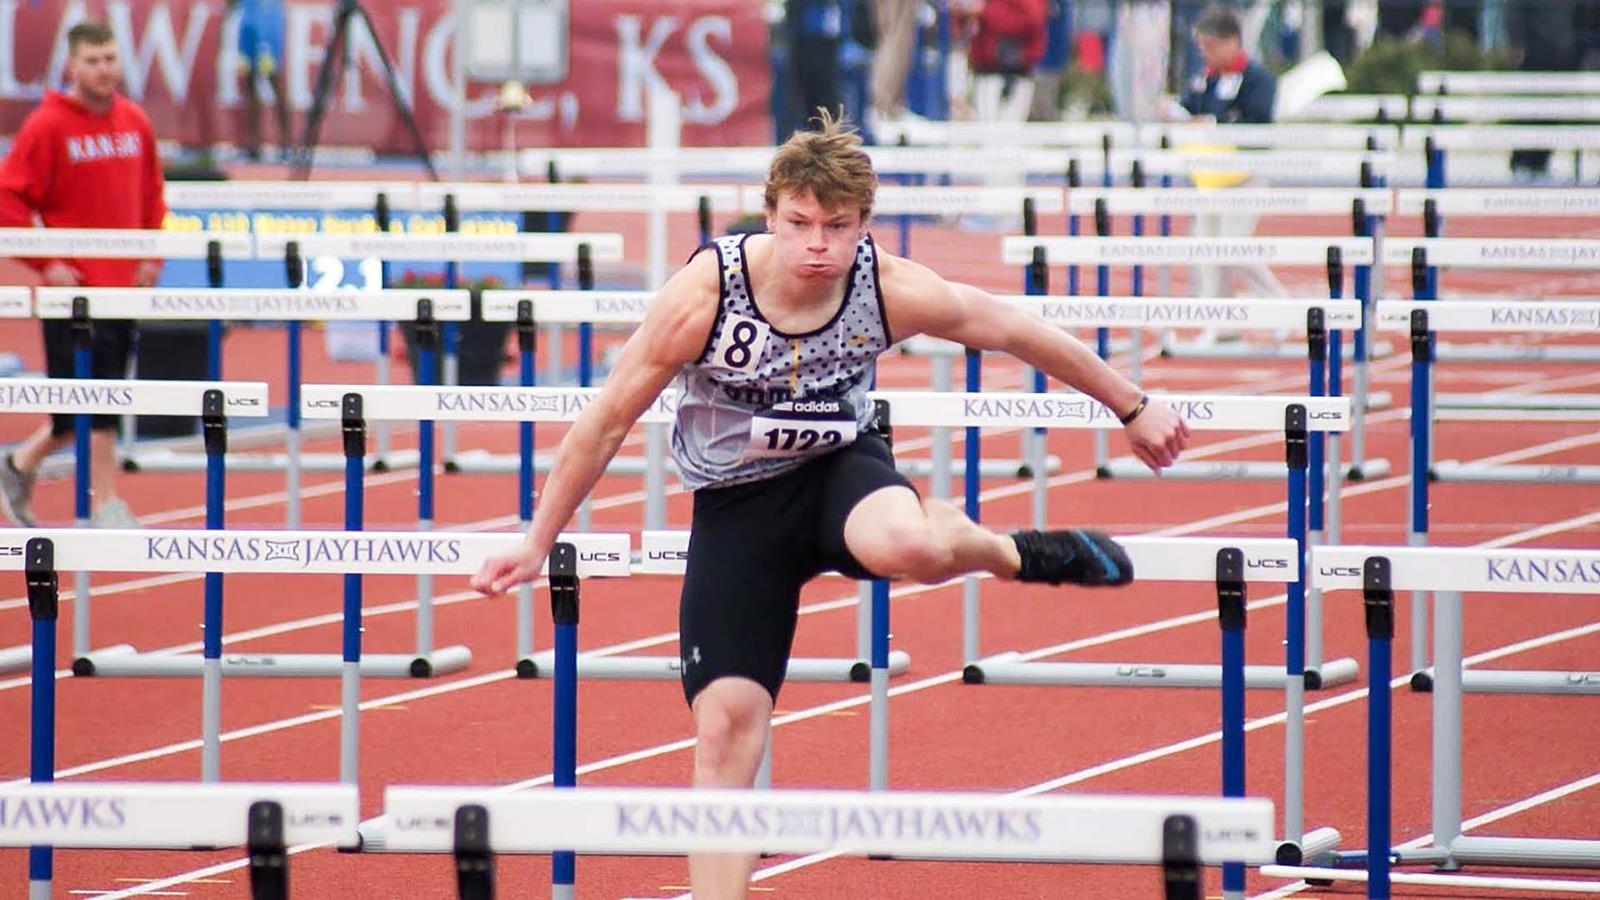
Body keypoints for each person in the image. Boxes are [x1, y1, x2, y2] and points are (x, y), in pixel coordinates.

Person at [471, 110, 1191, 898]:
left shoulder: (885, 288)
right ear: (771, 213)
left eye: (838, 226)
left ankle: (999, 550)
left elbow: (1013, 328)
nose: (818, 243)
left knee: (911, 550)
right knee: (724, 726)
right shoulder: (706, 295)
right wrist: (537, 540)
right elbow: (606, 419)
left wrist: (1131, 405)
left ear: (865, 226)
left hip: (841, 470)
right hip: (737, 507)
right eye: (799, 223)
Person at [0, 20, 166, 528]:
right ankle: (107, 502)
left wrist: (149, 256)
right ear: (72, 65)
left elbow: (152, 197)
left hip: (123, 289)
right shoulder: (47, 126)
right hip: (73, 295)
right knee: (91, 400)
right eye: (93, 61)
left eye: (111, 58)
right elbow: (9, 197)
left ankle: (17, 464)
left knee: (90, 404)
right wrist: (46, 262)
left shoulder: (135, 122)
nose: (103, 69)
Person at [1173, 4, 1285, 321]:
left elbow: (1258, 120)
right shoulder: (1203, 78)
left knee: (1234, 247)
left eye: (1210, 46)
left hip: (1246, 173)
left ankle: (1281, 304)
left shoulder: (1257, 79)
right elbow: (1187, 108)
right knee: (1206, 250)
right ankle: (1218, 323)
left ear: (1231, 40)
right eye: (1201, 47)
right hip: (1210, 176)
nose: (1206, 54)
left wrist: (1214, 123)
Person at [232, 0, 291, 162]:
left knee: (274, 80)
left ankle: (287, 144)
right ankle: (253, 145)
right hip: (247, 16)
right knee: (249, 85)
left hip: (268, 16)